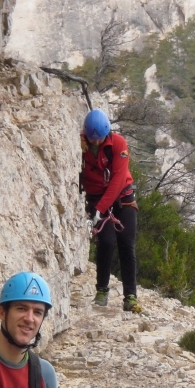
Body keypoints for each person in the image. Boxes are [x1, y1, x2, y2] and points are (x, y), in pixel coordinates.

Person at [80, 108, 142, 312]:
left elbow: (117, 179)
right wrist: (96, 207)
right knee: (105, 243)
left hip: (122, 197)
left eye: (99, 140)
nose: (96, 143)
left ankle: (130, 296)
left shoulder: (118, 144)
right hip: (97, 197)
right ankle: (102, 290)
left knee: (126, 245)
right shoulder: (81, 144)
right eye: (92, 140)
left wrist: (100, 208)